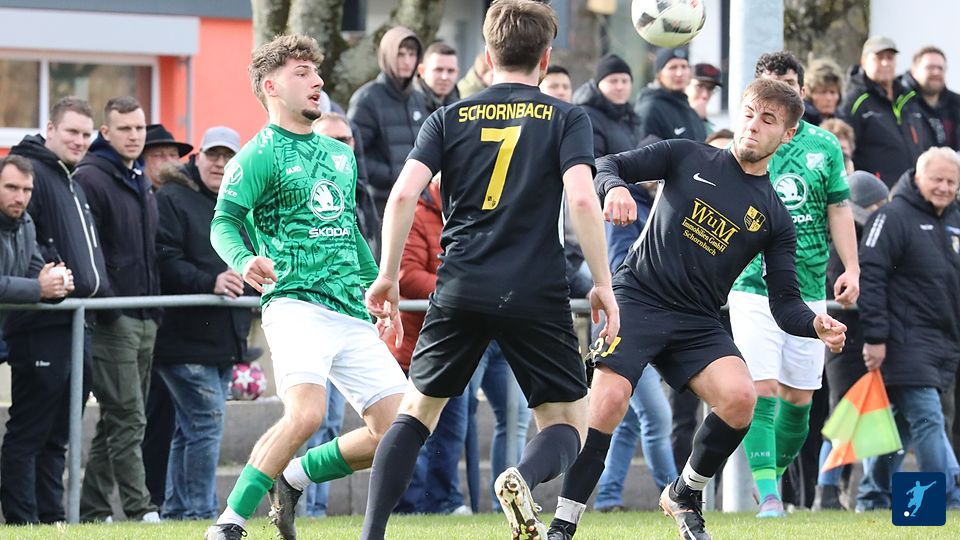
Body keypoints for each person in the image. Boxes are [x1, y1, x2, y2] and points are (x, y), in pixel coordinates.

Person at [359, 1, 619, 538]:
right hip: (534, 288)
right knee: (568, 424)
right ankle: (522, 477)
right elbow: (582, 200)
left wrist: (386, 275)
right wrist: (602, 282)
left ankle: (371, 535)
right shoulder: (567, 116)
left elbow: (403, 194)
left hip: (460, 284)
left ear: (486, 56)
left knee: (416, 414)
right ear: (545, 58)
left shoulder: (447, 116)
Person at [546, 78, 847, 540]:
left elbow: (785, 303)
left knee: (740, 398)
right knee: (608, 401)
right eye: (749, 113)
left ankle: (684, 492)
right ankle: (563, 525)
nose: (753, 125)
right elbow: (606, 163)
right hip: (638, 297)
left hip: (698, 320)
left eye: (768, 120)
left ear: (788, 134)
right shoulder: (687, 154)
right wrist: (614, 188)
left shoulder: (774, 216)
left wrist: (815, 324)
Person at [203, 34, 406, 540]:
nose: (317, 81)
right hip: (295, 303)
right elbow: (223, 223)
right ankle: (229, 523)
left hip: (350, 310)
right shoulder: (256, 155)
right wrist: (244, 258)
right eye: (302, 73)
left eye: (316, 72)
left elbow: (348, 230)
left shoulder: (340, 155)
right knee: (307, 415)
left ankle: (294, 478)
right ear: (270, 86)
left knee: (400, 431)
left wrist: (379, 287)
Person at [727, 51, 859, 518]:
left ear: (801, 92)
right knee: (760, 391)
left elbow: (839, 208)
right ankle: (768, 495)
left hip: (808, 286)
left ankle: (771, 475)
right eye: (767, 85)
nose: (777, 92)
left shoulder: (824, 145)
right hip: (752, 284)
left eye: (786, 84)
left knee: (800, 403)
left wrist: (851, 267)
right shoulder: (746, 141)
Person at [1, 97, 104, 525]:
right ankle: (22, 521)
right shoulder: (38, 171)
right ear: (50, 129)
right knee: (30, 431)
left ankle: (50, 518)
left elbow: (34, 258)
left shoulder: (69, 179)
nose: (79, 140)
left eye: (85, 134)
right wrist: (42, 285)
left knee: (58, 434)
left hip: (75, 321)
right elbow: (27, 270)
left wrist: (56, 278)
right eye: (71, 132)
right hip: (38, 327)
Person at [152, 125, 251, 520]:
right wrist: (210, 282)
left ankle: (179, 510)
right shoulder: (172, 198)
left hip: (224, 337)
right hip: (183, 336)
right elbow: (164, 260)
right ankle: (199, 512)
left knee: (191, 428)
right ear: (198, 157)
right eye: (214, 155)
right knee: (206, 424)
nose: (220, 164)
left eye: (228, 157)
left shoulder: (240, 202)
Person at [855, 147, 960, 512]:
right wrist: (875, 337)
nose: (944, 187)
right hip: (904, 341)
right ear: (917, 177)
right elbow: (871, 276)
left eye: (951, 182)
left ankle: (872, 497)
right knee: (928, 419)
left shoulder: (954, 220)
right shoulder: (892, 216)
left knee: (899, 425)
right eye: (937, 179)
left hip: (944, 342)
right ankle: (937, 504)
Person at [74, 95, 162, 524]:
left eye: (139, 128)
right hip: (114, 317)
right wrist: (109, 308)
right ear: (105, 132)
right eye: (124, 129)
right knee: (128, 417)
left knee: (118, 421)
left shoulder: (139, 177)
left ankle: (92, 509)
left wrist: (152, 311)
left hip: (144, 315)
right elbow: (88, 251)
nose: (134, 136)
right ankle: (140, 509)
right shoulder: (91, 177)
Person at [387, 174, 471, 516]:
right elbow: (406, 275)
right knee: (417, 428)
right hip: (416, 346)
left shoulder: (470, 211)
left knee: (451, 431)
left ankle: (444, 501)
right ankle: (408, 505)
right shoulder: (417, 214)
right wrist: (461, 291)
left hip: (458, 343)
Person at [812, 170, 890, 511]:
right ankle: (827, 490)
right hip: (845, 340)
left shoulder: (866, 242)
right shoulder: (840, 249)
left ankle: (848, 489)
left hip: (859, 336)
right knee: (845, 414)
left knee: (867, 413)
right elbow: (842, 293)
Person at [348, 26, 427, 218]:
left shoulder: (418, 98)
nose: (407, 61)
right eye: (400, 54)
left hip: (417, 200)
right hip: (380, 203)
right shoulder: (367, 99)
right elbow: (352, 154)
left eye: (412, 54)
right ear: (387, 56)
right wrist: (393, 174)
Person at [839, 36, 933, 187]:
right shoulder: (854, 100)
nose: (885, 63)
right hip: (876, 192)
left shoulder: (909, 97)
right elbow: (843, 149)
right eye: (879, 58)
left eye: (890, 58)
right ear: (864, 61)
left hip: (913, 188)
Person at [573, 54, 641, 158]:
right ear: (598, 84)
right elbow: (594, 162)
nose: (620, 87)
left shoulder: (630, 117)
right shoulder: (587, 117)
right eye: (613, 81)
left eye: (625, 81)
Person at [635, 47, 706, 142]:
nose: (679, 73)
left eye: (684, 66)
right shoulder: (650, 109)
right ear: (659, 74)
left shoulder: (689, 110)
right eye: (673, 67)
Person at [899, 46, 960, 151]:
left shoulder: (955, 103)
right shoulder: (899, 101)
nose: (936, 72)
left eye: (940, 68)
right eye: (930, 67)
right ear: (914, 71)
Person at [141, 124, 192, 190]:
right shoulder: (134, 193)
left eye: (173, 155)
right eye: (158, 155)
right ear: (141, 161)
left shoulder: (188, 191)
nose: (168, 160)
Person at [416, 42, 460, 113]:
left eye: (450, 71)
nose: (445, 77)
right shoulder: (407, 103)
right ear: (422, 71)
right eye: (439, 70)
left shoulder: (461, 108)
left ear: (457, 73)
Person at [803, 58, 844, 125]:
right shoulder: (800, 123)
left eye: (833, 92)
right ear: (809, 94)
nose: (829, 98)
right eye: (822, 92)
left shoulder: (842, 121)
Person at [685, 63, 723, 135]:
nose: (705, 95)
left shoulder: (707, 127)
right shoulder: (667, 114)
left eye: (710, 88)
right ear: (685, 85)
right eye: (699, 86)